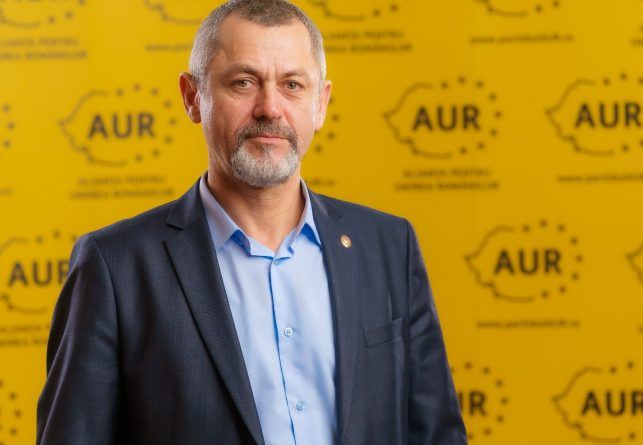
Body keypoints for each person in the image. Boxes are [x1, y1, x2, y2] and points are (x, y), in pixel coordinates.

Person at [36, 0, 467, 443]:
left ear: (320, 103)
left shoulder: (390, 247)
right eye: (243, 82)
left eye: (292, 85)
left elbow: (437, 435)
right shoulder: (116, 267)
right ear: (192, 97)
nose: (270, 108)